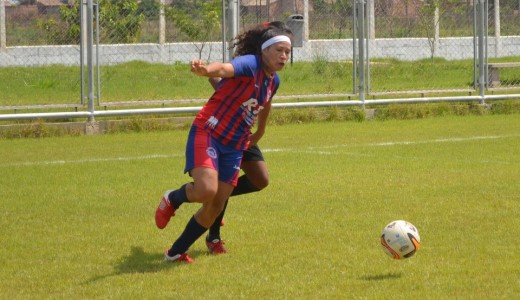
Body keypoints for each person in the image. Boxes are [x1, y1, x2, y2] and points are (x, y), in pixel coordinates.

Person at [154, 22, 293, 263]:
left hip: (236, 143)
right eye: (279, 50)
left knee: (216, 204)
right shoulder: (250, 63)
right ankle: (173, 198)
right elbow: (225, 68)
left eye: (287, 52)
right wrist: (207, 70)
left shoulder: (274, 80)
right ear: (264, 50)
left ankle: (176, 252)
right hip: (210, 131)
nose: (283, 56)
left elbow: (266, 102)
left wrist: (260, 130)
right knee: (207, 190)